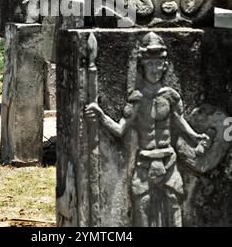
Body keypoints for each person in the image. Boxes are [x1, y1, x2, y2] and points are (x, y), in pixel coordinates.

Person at [85, 32, 209, 227]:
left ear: (165, 65)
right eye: (150, 63)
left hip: (169, 161)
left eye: (158, 63)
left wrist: (195, 137)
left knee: (174, 206)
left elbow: (180, 122)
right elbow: (120, 130)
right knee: (141, 208)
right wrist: (101, 116)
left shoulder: (171, 96)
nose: (155, 69)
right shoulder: (137, 98)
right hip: (144, 164)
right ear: (142, 66)